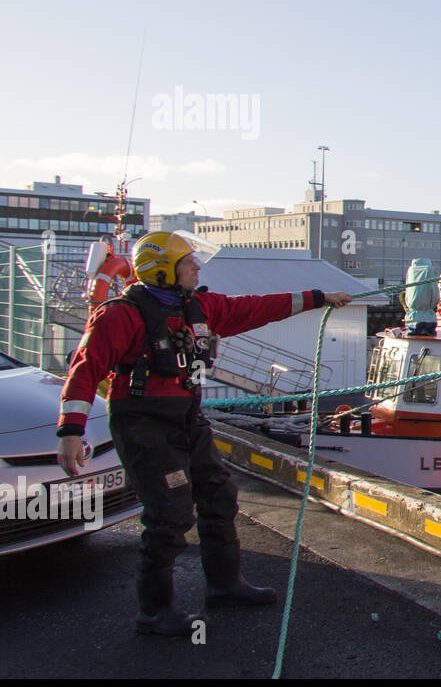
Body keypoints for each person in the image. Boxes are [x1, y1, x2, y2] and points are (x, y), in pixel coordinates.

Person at [55, 231, 352, 636]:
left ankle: (225, 585)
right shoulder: (120, 315)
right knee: (170, 514)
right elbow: (85, 368)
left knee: (218, 494)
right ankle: (155, 610)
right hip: (142, 422)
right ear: (164, 270)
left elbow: (258, 308)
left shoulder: (199, 307)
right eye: (188, 262)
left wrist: (319, 297)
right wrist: (70, 431)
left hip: (187, 417)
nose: (197, 266)